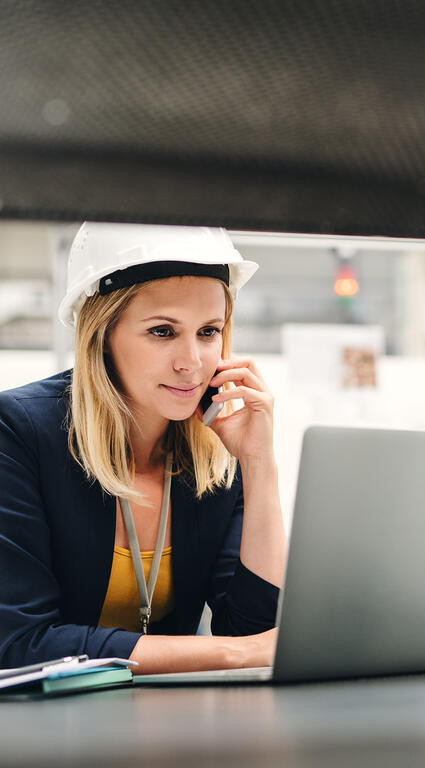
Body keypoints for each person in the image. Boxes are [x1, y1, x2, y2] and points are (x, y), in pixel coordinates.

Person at [0, 222, 286, 673]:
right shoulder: (19, 432)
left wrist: (258, 463)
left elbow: (255, 630)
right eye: (162, 332)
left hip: (167, 727)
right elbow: (20, 644)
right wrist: (236, 653)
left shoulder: (213, 452)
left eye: (209, 332)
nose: (191, 362)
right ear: (102, 335)